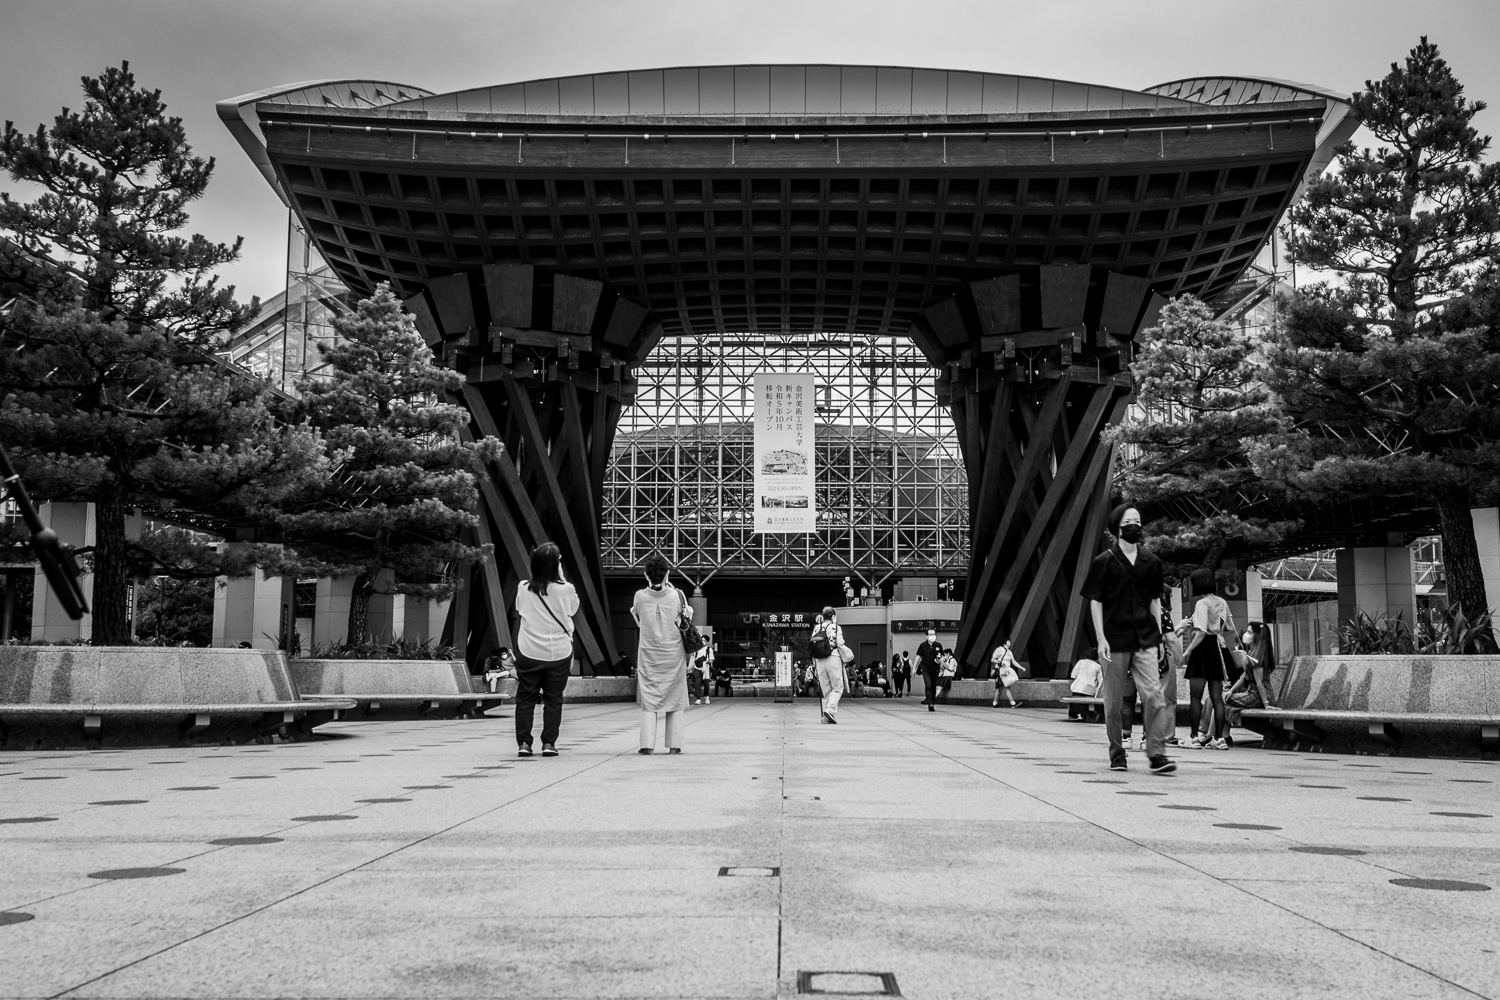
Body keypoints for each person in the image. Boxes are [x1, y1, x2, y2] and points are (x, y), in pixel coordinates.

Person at [1079, 505, 1176, 774]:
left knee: (1154, 696)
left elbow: (1156, 601)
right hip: (1114, 638)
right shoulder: (1104, 561)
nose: (1135, 525)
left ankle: (1156, 754)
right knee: (1112, 702)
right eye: (1129, 521)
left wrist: (1158, 639)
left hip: (1145, 637)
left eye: (1138, 521)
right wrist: (1100, 638)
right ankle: (1117, 752)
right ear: (1117, 527)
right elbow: (1095, 602)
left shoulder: (1151, 562)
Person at [513, 542, 579, 759]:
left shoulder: (523, 587)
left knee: (526, 698)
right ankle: (549, 743)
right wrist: (561, 576)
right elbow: (572, 609)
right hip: (557, 653)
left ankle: (524, 743)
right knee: (553, 699)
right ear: (556, 565)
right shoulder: (566, 589)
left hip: (529, 650)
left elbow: (520, 609)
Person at [632, 552, 692, 754]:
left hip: (649, 653)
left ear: (646, 575)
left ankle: (647, 745)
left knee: (649, 699)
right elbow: (687, 617)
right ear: (667, 574)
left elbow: (638, 619)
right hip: (673, 653)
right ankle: (675, 745)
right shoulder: (677, 595)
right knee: (675, 698)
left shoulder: (639, 596)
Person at [1182, 566, 1236, 751]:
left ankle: (1194, 737)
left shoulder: (1202, 604)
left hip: (1202, 649)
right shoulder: (1222, 601)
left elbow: (1201, 632)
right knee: (1217, 698)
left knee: (1195, 697)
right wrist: (1217, 628)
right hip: (1217, 649)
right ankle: (1219, 739)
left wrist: (1187, 651)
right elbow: (1229, 627)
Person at [1225, 622, 1277, 729]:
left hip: (1258, 696)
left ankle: (1211, 735)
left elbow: (1260, 683)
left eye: (1249, 632)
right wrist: (1231, 690)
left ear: (1257, 636)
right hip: (1253, 694)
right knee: (1219, 701)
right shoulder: (1252, 653)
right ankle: (1214, 735)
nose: (1245, 635)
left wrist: (1266, 704)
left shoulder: (1258, 656)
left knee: (1219, 700)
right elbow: (1244, 676)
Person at [810, 606, 847, 724]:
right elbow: (840, 643)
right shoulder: (836, 627)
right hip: (833, 657)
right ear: (833, 616)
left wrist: (814, 664)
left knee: (826, 690)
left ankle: (825, 717)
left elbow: (813, 644)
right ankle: (829, 711)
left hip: (820, 659)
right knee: (838, 687)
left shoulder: (817, 627)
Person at [1068, 649, 1103, 720]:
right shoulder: (1098, 666)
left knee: (1074, 701)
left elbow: (1073, 675)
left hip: (1076, 688)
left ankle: (1072, 714)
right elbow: (1100, 681)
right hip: (1089, 690)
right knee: (1086, 703)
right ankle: (1086, 714)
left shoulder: (1080, 662)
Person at [916, 629, 942, 712]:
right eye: (930, 634)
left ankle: (932, 702)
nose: (932, 636)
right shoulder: (923, 645)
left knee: (933, 687)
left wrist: (939, 660)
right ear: (926, 636)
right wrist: (914, 669)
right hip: (926, 669)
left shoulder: (938, 645)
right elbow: (918, 657)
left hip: (935, 669)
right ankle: (930, 703)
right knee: (928, 685)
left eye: (934, 634)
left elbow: (942, 656)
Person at [990, 639, 1022, 708]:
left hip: (1005, 672)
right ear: (1004, 643)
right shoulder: (999, 649)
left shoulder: (1009, 652)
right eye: (1009, 642)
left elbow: (1013, 661)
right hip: (1000, 671)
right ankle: (1012, 703)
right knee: (1006, 687)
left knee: (1000, 689)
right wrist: (1000, 662)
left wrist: (1021, 667)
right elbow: (992, 659)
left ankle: (995, 703)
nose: (1010, 643)